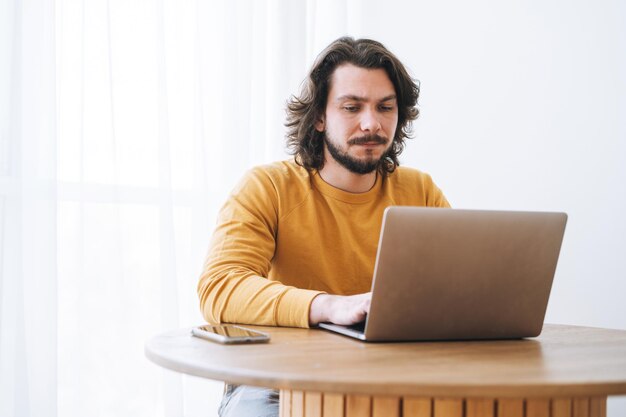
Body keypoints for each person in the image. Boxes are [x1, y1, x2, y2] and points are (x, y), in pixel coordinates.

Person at [197, 36, 450, 417]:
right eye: (352, 107)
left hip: (389, 382)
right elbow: (220, 288)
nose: (372, 123)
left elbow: (457, 290)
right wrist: (327, 306)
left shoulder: (420, 191)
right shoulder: (267, 187)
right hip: (277, 384)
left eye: (385, 107)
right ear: (319, 116)